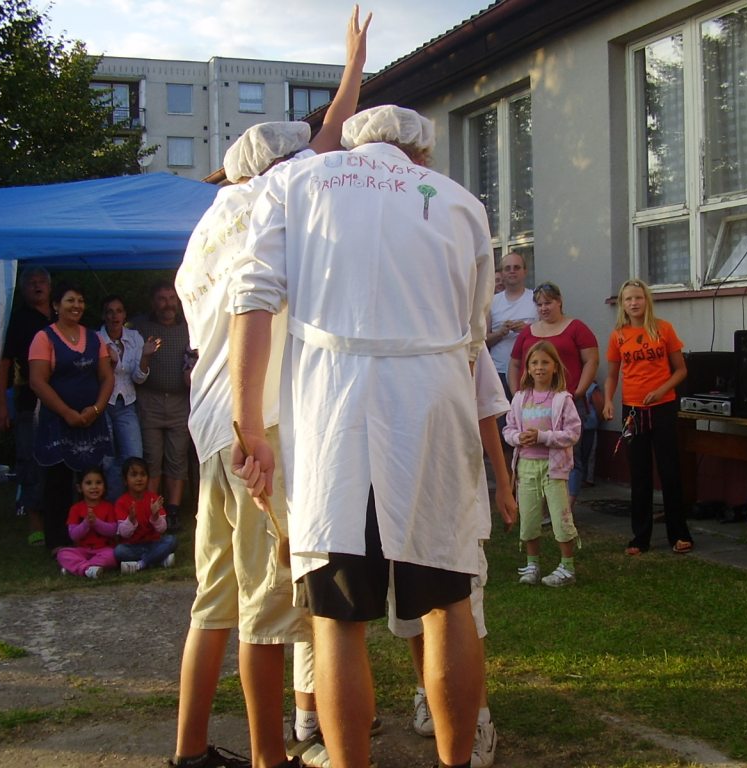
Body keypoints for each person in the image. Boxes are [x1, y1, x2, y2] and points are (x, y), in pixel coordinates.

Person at [230, 104, 494, 768]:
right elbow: (473, 336)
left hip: (334, 409)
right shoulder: (460, 203)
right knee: (447, 601)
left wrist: (249, 424)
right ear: (420, 155)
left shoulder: (294, 183)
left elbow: (252, 299)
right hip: (432, 404)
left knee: (338, 616)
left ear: (352, 145)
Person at [172, 12, 371, 765]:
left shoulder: (206, 229)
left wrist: (351, 73)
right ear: (279, 170)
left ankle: (191, 750)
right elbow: (329, 137)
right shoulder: (274, 203)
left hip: (209, 424)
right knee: (267, 605)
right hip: (261, 425)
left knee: (214, 599)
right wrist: (351, 71)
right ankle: (269, 758)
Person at [388, 344, 517, 768]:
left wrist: (503, 482)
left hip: (454, 497)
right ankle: (427, 692)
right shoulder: (380, 331)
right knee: (409, 607)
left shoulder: (464, 335)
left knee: (464, 609)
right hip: (396, 497)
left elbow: (486, 412)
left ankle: (479, 719)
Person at [602, 278, 693, 555]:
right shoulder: (618, 335)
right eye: (628, 299)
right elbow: (612, 375)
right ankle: (640, 537)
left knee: (669, 471)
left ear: (647, 300)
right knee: (639, 474)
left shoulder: (664, 329)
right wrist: (608, 400)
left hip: (663, 407)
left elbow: (681, 370)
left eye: (638, 298)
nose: (634, 303)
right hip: (633, 411)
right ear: (622, 304)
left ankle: (679, 534)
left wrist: (661, 390)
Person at [28, 280, 114, 554]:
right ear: (56, 305)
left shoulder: (95, 338)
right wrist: (67, 413)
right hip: (58, 421)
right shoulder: (44, 338)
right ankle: (58, 542)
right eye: (70, 300)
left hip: (91, 421)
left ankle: (94, 538)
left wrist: (96, 409)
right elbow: (37, 381)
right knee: (57, 482)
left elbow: (107, 377)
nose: (76, 306)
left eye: (80, 300)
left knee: (92, 480)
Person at [508, 281, 598, 504]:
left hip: (566, 401)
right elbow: (515, 364)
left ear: (559, 302)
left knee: (570, 454)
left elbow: (591, 360)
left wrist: (578, 391)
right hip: (533, 404)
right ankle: (539, 504)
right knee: (534, 452)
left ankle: (566, 506)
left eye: (548, 303)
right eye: (539, 304)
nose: (543, 308)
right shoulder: (528, 332)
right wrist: (517, 395)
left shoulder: (576, 328)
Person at [503, 340, 581, 587]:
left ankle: (567, 566)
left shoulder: (562, 399)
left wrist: (543, 437)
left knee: (560, 516)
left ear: (555, 367)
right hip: (526, 466)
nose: (539, 367)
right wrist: (519, 438)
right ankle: (532, 564)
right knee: (528, 517)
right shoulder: (519, 398)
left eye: (545, 362)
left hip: (553, 468)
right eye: (534, 363)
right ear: (527, 368)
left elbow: (573, 433)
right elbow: (508, 429)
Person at [0, 266, 52, 545]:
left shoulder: (61, 315)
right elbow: (4, 363)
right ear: (23, 289)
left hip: (63, 399)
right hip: (28, 400)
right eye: (31, 282)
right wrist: (1, 405)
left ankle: (62, 518)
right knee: (30, 459)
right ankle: (35, 523)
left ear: (50, 287)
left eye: (42, 282)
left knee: (60, 459)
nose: (37, 286)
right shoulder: (18, 320)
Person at [131, 280, 192, 532]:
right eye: (162, 299)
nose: (168, 304)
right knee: (152, 457)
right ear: (153, 302)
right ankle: (151, 509)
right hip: (150, 399)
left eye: (171, 298)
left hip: (180, 400)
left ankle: (173, 510)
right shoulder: (140, 327)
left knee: (177, 456)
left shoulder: (189, 327)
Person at [99, 295, 158, 501]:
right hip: (102, 403)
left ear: (124, 314)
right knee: (107, 459)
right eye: (109, 311)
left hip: (127, 403)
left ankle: (129, 507)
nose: (114, 316)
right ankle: (108, 507)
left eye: (119, 311)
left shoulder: (134, 337)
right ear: (103, 315)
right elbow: (96, 378)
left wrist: (145, 356)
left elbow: (138, 378)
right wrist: (110, 364)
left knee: (133, 456)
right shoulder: (96, 339)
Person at [114, 456, 178, 573]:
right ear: (125, 480)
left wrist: (155, 516)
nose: (139, 479)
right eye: (134, 475)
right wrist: (131, 520)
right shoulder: (121, 502)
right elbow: (123, 534)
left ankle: (141, 564)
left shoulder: (153, 498)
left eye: (143, 474)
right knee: (119, 551)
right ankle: (159, 559)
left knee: (171, 540)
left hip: (153, 543)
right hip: (133, 546)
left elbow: (162, 529)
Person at [487, 252, 536, 400]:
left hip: (531, 370)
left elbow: (549, 334)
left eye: (517, 267)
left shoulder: (535, 298)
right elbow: (483, 340)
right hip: (499, 372)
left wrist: (527, 330)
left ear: (525, 271)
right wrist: (500, 333)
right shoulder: (491, 302)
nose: (512, 271)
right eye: (507, 268)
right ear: (502, 273)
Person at [56, 467, 118, 578]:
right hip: (82, 550)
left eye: (98, 482)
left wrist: (96, 522)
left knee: (113, 555)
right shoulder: (75, 509)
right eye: (89, 483)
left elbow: (113, 530)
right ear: (79, 488)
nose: (94, 487)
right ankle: (88, 569)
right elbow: (73, 535)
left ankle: (78, 568)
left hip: (103, 550)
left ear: (104, 486)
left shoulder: (108, 507)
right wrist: (86, 524)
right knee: (62, 554)